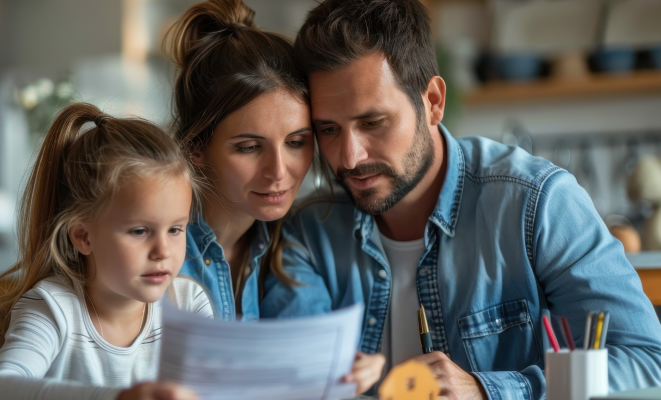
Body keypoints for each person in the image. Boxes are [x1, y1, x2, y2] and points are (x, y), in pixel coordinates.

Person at [0, 0, 384, 395]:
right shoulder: (134, 260)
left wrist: (346, 374)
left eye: (297, 141)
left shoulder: (293, 244)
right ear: (197, 151)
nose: (279, 171)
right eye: (248, 147)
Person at [261, 0, 661, 399]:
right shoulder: (309, 230)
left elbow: (647, 362)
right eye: (328, 129)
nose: (349, 157)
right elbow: (298, 383)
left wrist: (487, 391)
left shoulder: (538, 203)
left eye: (372, 123)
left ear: (433, 101)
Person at [0, 103, 210, 400]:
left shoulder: (190, 303)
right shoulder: (53, 307)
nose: (162, 251)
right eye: (139, 231)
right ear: (83, 236)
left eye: (175, 229)